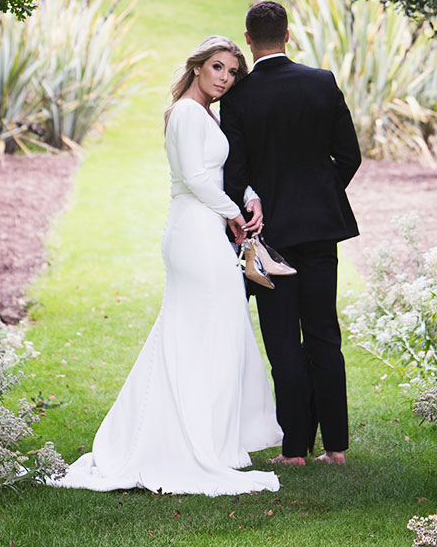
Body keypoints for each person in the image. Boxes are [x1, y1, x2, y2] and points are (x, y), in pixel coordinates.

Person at [52, 36, 283, 495]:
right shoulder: (183, 112)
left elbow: (219, 172)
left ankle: (211, 438)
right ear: (197, 67)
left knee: (216, 330)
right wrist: (234, 216)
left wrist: (248, 195)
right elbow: (195, 179)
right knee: (198, 330)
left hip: (206, 229)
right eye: (218, 67)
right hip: (193, 233)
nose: (225, 78)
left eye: (233, 72)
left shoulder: (204, 115)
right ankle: (179, 442)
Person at [218, 0, 365, 466]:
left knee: (283, 340)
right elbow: (349, 157)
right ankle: (337, 448)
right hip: (321, 231)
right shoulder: (321, 82)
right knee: (323, 333)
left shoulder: (236, 98)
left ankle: (295, 450)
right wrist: (321, 194)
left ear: (248, 40)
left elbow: (234, 175)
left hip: (268, 236)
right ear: (288, 35)